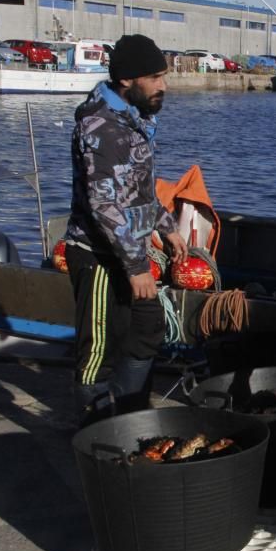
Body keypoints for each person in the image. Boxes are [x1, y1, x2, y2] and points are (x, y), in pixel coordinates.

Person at [64, 34, 187, 424]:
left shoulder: (134, 120)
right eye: (154, 77)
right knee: (98, 350)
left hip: (129, 253)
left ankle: (130, 415)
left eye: (163, 76)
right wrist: (135, 267)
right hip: (98, 256)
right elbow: (104, 205)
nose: (163, 86)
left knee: (148, 328)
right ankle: (96, 431)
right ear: (127, 81)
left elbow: (138, 191)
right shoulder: (100, 127)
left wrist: (167, 227)